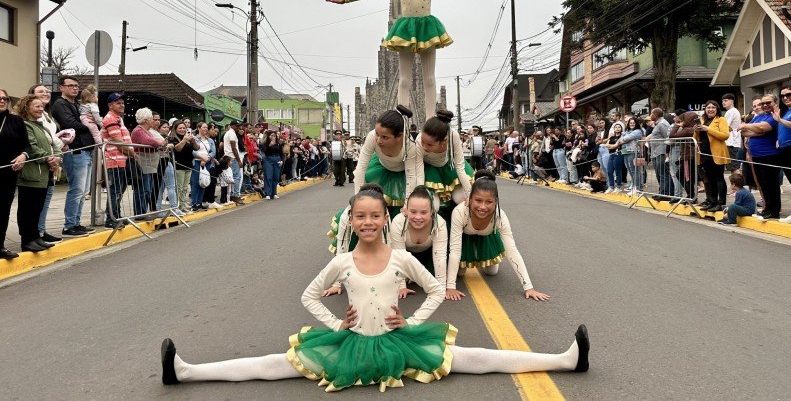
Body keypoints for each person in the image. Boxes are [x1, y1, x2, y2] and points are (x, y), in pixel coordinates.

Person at [159, 185, 589, 391]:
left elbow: (438, 288)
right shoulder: (342, 261)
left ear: (387, 219)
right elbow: (308, 295)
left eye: (375, 216)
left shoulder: (401, 258)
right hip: (352, 343)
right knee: (276, 364)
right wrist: (336, 323)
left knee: (473, 358)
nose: (367, 222)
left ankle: (565, 360)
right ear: (353, 220)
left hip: (398, 341)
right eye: (360, 216)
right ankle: (186, 371)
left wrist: (412, 319)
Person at [326, 0, 508, 118]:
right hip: (405, 30)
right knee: (404, 78)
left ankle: (430, 118)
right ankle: (401, 114)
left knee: (429, 78)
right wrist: (345, 0)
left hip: (426, 29)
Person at [445, 170, 551, 302]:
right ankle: (464, 265)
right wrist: (450, 287)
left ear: (496, 202)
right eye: (478, 200)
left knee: (492, 272)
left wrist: (528, 287)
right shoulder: (459, 212)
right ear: (470, 199)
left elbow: (512, 251)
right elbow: (455, 251)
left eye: (488, 202)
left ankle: (485, 257)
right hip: (464, 239)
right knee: (459, 274)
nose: (482, 207)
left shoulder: (500, 216)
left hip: (487, 238)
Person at [353, 105, 423, 218]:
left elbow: (412, 176)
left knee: (398, 215)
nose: (378, 140)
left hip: (402, 174)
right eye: (377, 134)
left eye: (385, 137)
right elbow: (360, 170)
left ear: (399, 136)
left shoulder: (409, 146)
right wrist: (357, 201)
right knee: (375, 209)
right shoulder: (371, 137)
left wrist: (407, 206)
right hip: (380, 169)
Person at [15, 95, 62, 252]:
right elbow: (31, 147)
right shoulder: (25, 125)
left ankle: (35, 237)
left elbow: (53, 143)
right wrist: (49, 158)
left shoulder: (41, 126)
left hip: (43, 175)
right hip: (31, 174)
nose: (41, 109)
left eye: (42, 106)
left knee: (37, 209)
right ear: (26, 108)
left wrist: (57, 156)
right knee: (27, 209)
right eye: (37, 106)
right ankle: (27, 240)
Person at [51, 75, 95, 236]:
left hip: (86, 150)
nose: (75, 88)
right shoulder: (60, 104)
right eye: (70, 85)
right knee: (76, 189)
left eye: (76, 86)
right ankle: (69, 225)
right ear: (61, 87)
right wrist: (91, 126)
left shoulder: (76, 104)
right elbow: (70, 124)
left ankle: (75, 223)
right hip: (75, 151)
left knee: (83, 191)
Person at [417, 110, 473, 226]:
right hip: (429, 172)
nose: (424, 146)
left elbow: (460, 167)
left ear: (443, 142)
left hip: (450, 169)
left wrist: (470, 195)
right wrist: (418, 197)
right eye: (423, 142)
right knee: (433, 206)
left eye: (430, 145)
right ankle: (434, 234)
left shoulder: (453, 136)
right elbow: (418, 172)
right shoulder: (418, 140)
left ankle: (461, 228)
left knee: (462, 200)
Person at [389, 185, 448, 292]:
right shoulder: (398, 222)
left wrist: (441, 288)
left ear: (432, 212)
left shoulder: (439, 223)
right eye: (413, 212)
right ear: (406, 211)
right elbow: (398, 256)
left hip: (428, 257)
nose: (418, 217)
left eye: (423, 212)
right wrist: (401, 287)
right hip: (403, 260)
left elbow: (440, 255)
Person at [28, 84, 66, 244]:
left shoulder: (47, 114)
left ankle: (41, 230)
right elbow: (44, 139)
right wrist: (52, 156)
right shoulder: (33, 117)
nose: (45, 93)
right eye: (40, 92)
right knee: (38, 201)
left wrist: (57, 156)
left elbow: (51, 139)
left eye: (47, 91)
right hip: (42, 163)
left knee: (47, 198)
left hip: (52, 159)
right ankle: (36, 233)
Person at [0, 89, 32, 258]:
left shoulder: (16, 121)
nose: (2, 101)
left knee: (3, 210)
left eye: (5, 98)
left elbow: (27, 146)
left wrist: (23, 156)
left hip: (8, 175)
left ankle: (0, 246)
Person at [740, 95, 780, 220]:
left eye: (768, 102)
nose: (765, 105)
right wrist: (757, 131)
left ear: (775, 103)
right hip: (756, 155)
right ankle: (767, 209)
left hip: (770, 154)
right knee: (762, 184)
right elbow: (743, 132)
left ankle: (774, 211)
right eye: (763, 103)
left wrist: (746, 125)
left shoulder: (774, 115)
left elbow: (764, 127)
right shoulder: (760, 116)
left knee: (771, 184)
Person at [101, 93, 139, 227]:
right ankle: (111, 219)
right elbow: (119, 142)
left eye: (122, 102)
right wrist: (133, 155)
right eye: (118, 103)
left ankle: (115, 216)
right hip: (114, 160)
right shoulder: (111, 119)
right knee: (115, 190)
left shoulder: (117, 119)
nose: (122, 105)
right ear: (110, 105)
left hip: (121, 160)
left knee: (119, 189)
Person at [694, 100, 730, 213]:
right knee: (709, 179)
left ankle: (721, 203)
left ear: (717, 109)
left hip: (717, 154)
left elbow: (725, 135)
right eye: (708, 107)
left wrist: (708, 129)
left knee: (719, 178)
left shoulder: (721, 119)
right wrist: (696, 130)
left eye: (713, 107)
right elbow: (696, 137)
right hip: (704, 154)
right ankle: (712, 201)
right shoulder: (703, 120)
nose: (710, 109)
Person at [772, 84, 791, 224]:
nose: (785, 98)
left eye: (789, 94)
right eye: (782, 96)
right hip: (785, 149)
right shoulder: (785, 111)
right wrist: (779, 139)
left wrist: (780, 120)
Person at [167, 120, 198, 212]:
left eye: (184, 128)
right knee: (179, 187)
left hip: (188, 165)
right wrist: (184, 140)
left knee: (185, 187)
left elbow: (197, 148)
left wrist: (193, 141)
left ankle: (182, 204)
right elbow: (178, 149)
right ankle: (179, 205)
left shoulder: (188, 137)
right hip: (178, 165)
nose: (182, 130)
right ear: (175, 129)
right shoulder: (173, 138)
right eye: (180, 128)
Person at [646, 108, 674, 200]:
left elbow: (668, 137)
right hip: (656, 153)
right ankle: (662, 191)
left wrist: (667, 152)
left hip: (661, 152)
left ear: (656, 114)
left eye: (651, 114)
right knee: (659, 174)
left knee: (663, 173)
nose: (650, 116)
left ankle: (666, 193)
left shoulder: (662, 124)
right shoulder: (658, 124)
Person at [190, 123, 216, 211]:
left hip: (207, 163)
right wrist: (201, 158)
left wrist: (206, 159)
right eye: (204, 127)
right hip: (196, 162)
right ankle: (194, 203)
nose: (206, 129)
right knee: (195, 182)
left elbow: (213, 152)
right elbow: (192, 151)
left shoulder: (210, 140)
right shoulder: (194, 139)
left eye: (207, 127)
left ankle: (200, 202)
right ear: (198, 128)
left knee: (203, 182)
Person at [619, 117, 645, 196]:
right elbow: (620, 140)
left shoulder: (638, 131)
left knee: (635, 171)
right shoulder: (627, 131)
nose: (632, 124)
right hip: (626, 152)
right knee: (630, 171)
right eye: (630, 123)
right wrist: (623, 138)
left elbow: (626, 138)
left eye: (633, 123)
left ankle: (638, 188)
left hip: (633, 152)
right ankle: (635, 187)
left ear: (636, 123)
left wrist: (624, 138)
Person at [223, 121, 244, 205]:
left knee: (231, 177)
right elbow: (234, 148)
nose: (238, 127)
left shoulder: (228, 133)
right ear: (231, 126)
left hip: (228, 157)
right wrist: (239, 160)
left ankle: (231, 195)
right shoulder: (232, 134)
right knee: (237, 177)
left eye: (239, 126)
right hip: (233, 157)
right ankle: (236, 195)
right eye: (236, 125)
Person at [721, 93, 742, 171]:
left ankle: (738, 183)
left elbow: (724, 127)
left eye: (726, 100)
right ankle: (736, 183)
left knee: (734, 168)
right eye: (722, 101)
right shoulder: (733, 111)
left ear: (732, 101)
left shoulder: (731, 111)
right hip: (733, 142)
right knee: (733, 167)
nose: (723, 102)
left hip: (732, 142)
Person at [260, 131, 283, 199]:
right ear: (268, 136)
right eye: (271, 135)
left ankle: (274, 192)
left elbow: (281, 153)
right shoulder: (265, 144)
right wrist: (270, 145)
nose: (273, 137)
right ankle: (268, 193)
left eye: (274, 136)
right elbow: (265, 152)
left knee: (276, 176)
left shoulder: (278, 144)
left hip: (277, 159)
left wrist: (281, 160)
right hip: (268, 159)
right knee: (268, 176)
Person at [604, 122, 625, 193]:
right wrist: (612, 146)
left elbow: (618, 145)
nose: (617, 128)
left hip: (618, 155)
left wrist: (611, 146)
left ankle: (618, 186)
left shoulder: (622, 136)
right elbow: (606, 145)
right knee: (609, 171)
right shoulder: (612, 137)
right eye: (616, 127)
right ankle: (611, 186)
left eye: (619, 127)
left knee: (617, 171)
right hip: (611, 154)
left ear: (621, 128)